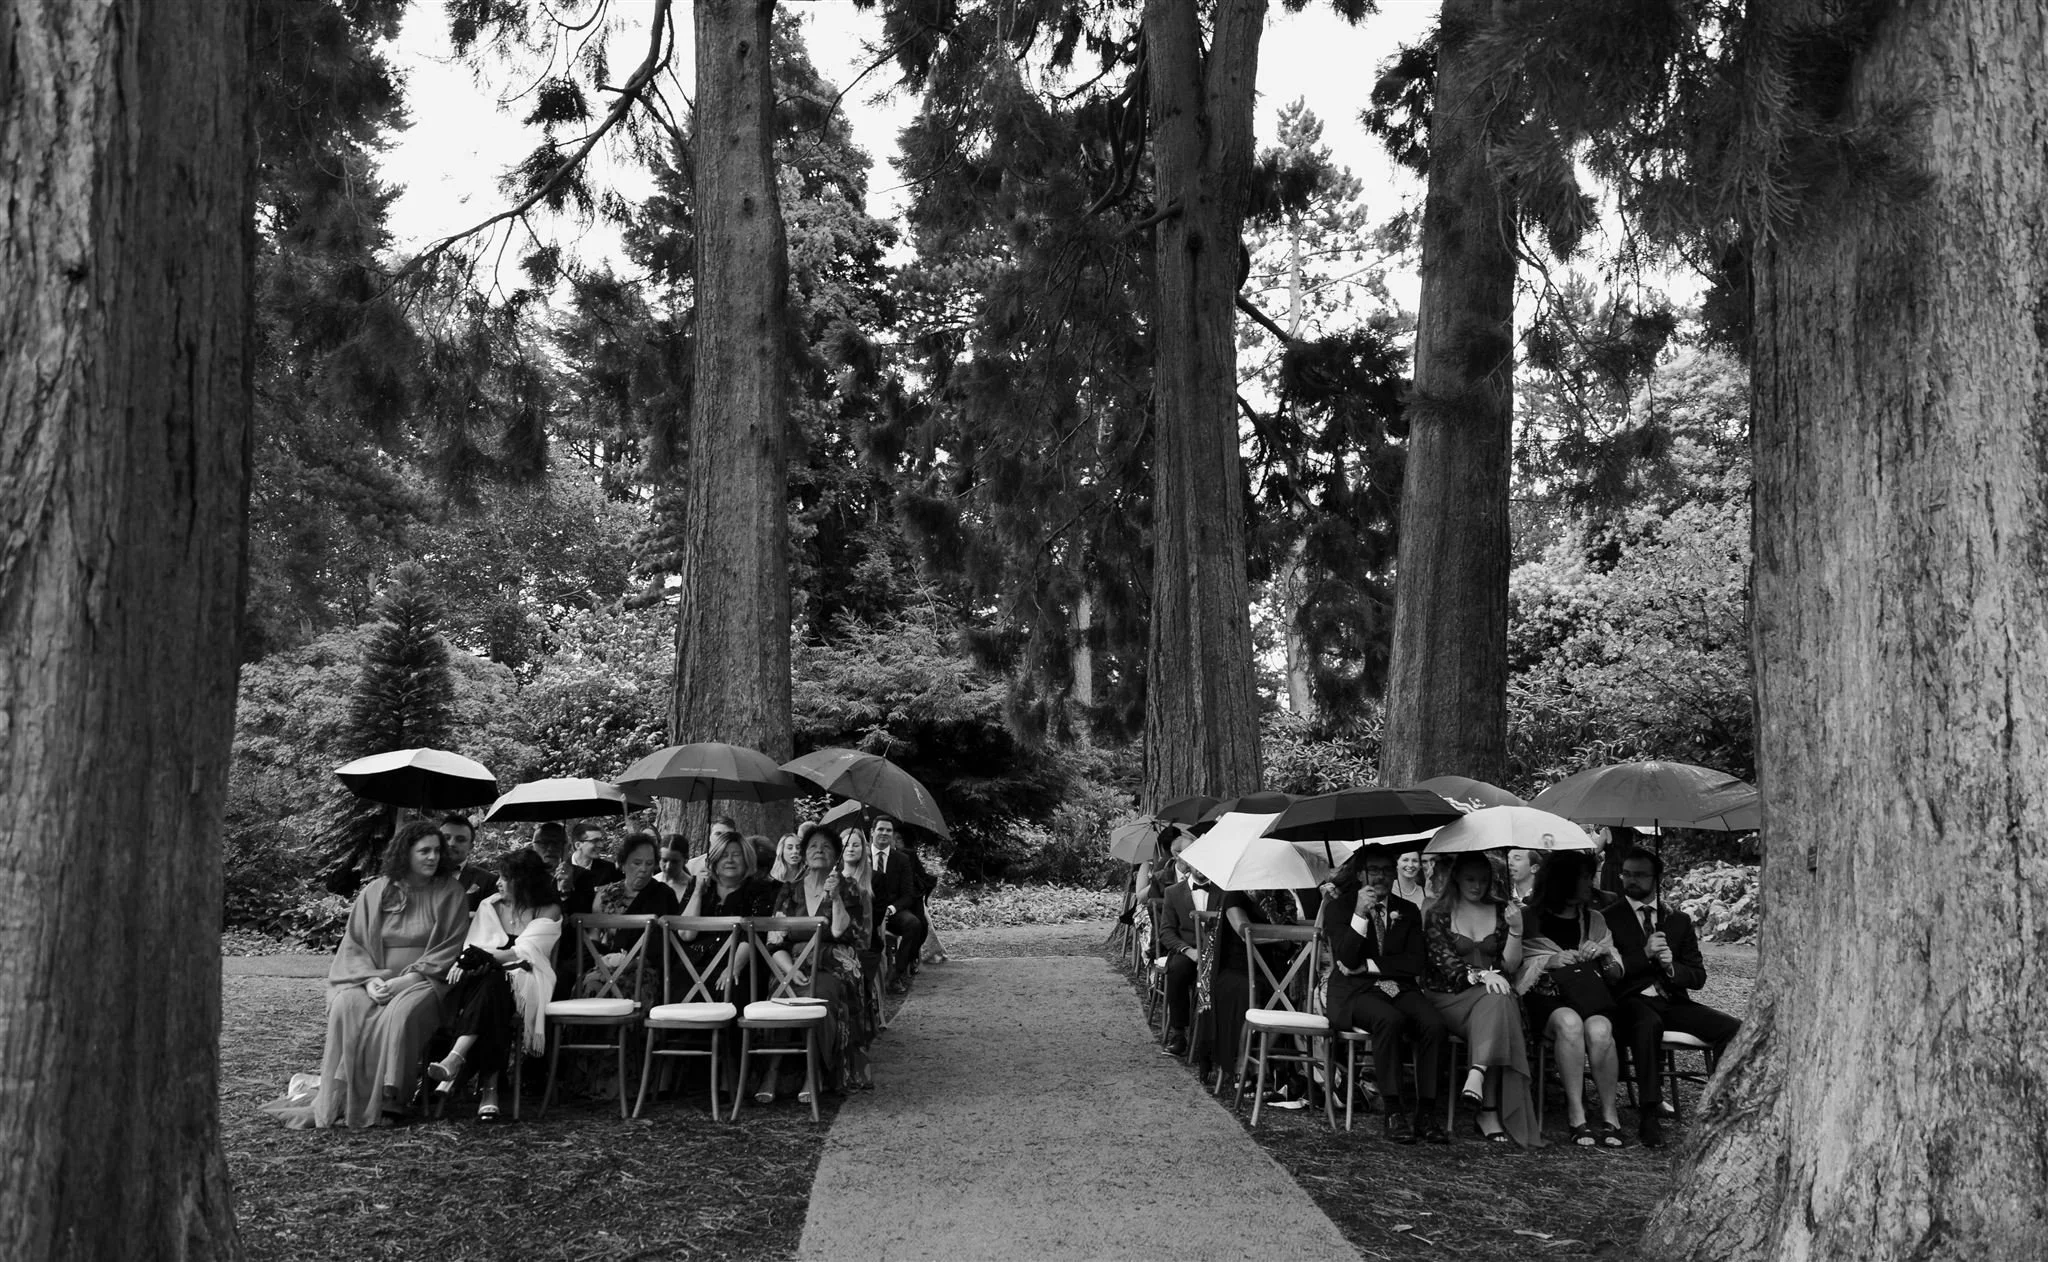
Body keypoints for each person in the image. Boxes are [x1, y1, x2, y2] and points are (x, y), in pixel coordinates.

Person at [270, 821, 468, 1128]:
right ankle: (341, 1095)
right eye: (424, 851)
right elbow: (355, 944)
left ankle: (391, 1098)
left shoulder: (451, 892)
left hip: (427, 981)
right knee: (346, 1006)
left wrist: (408, 979)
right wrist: (369, 980)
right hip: (374, 976)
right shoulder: (376, 891)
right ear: (406, 853)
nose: (432, 857)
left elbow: (450, 946)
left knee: (401, 1013)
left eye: (437, 851)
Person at [1606, 847, 1742, 1147]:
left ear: (1657, 878)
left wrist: (1671, 967)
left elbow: (1698, 977)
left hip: (1672, 1001)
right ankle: (1649, 1113)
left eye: (1639, 875)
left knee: (1734, 1030)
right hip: (1629, 1001)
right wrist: (1644, 955)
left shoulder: (1677, 920)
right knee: (1647, 1023)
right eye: (1626, 874)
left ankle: (1719, 1104)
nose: (1631, 881)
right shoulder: (1608, 919)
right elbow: (1607, 974)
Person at [1320, 848, 1449, 1143]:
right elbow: (1346, 959)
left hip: (1397, 987)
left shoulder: (1408, 911)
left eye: (1384, 870)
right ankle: (1393, 1111)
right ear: (1359, 874)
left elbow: (1413, 962)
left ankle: (1426, 1112)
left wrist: (1370, 965)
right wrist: (1359, 914)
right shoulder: (1340, 909)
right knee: (1388, 1020)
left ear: (1394, 874)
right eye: (1371, 870)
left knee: (1434, 1024)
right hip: (1355, 993)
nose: (1378, 876)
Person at [425, 849, 561, 1121]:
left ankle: (457, 1060)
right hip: (484, 984)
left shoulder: (549, 910)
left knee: (495, 982)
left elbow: (524, 953)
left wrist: (483, 957)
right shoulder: (491, 905)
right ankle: (488, 1091)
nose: (498, 883)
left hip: (527, 981)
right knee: (492, 987)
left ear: (525, 880)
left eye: (506, 877)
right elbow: (473, 947)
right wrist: (478, 959)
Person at [1422, 851, 1540, 1146]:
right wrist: (1482, 975)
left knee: (1499, 1001)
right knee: (1499, 999)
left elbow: (1510, 967)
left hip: (1493, 999)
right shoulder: (1438, 913)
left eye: (1484, 880)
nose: (1477, 886)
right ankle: (1488, 1110)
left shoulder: (1503, 911)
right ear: (1457, 878)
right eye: (1471, 879)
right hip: (1450, 997)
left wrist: (1516, 929)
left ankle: (1477, 1074)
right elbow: (1445, 966)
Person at [1515, 851, 1626, 1147]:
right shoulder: (1529, 918)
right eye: (1585, 878)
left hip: (1588, 996)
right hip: (1545, 998)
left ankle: (1609, 1114)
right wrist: (1550, 959)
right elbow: (1516, 965)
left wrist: (1602, 953)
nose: (1591, 884)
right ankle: (1576, 1113)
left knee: (1601, 1031)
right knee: (1569, 1023)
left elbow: (1615, 972)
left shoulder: (1594, 919)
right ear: (1563, 881)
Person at [765, 823, 873, 1098]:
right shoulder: (789, 890)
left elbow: (840, 931)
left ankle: (816, 1072)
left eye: (826, 846)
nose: (819, 850)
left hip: (832, 963)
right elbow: (775, 940)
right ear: (803, 853)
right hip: (792, 964)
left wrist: (835, 897)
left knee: (821, 996)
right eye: (813, 845)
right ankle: (773, 1070)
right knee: (778, 994)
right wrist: (789, 971)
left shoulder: (849, 888)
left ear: (836, 854)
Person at [1212, 885, 1305, 1104]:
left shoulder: (1284, 898)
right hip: (1236, 968)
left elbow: (1286, 946)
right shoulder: (1236, 894)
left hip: (1271, 970)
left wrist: (1274, 919)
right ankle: (1241, 1064)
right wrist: (1282, 933)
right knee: (1250, 992)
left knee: (1282, 1001)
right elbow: (1244, 931)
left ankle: (1258, 1060)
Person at [576, 832, 681, 1004]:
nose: (644, 869)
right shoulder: (606, 895)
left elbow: (664, 944)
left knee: (628, 989)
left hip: (643, 968)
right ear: (623, 864)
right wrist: (602, 960)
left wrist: (630, 961)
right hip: (604, 964)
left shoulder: (664, 894)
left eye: (649, 864)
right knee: (589, 984)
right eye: (637, 863)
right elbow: (594, 935)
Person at [1155, 835, 1209, 1059]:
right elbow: (1166, 931)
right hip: (1188, 950)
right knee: (1176, 970)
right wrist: (1188, 950)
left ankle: (1213, 1037)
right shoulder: (1173, 892)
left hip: (1215, 951)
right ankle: (1179, 1035)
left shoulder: (1223, 893)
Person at [872, 815, 932, 995]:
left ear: (893, 835)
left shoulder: (902, 859)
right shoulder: (862, 856)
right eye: (880, 829)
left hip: (892, 911)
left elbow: (908, 895)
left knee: (914, 924)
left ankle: (896, 974)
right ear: (872, 832)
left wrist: (891, 909)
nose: (884, 833)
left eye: (888, 830)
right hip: (866, 910)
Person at [441, 814, 498, 911]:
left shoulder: (488, 881)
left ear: (470, 847)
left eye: (460, 840)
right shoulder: (418, 875)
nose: (451, 844)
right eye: (446, 838)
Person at [571, 824, 622, 888]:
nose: (601, 845)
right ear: (578, 845)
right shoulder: (560, 869)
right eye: (595, 841)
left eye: (601, 840)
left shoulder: (610, 869)